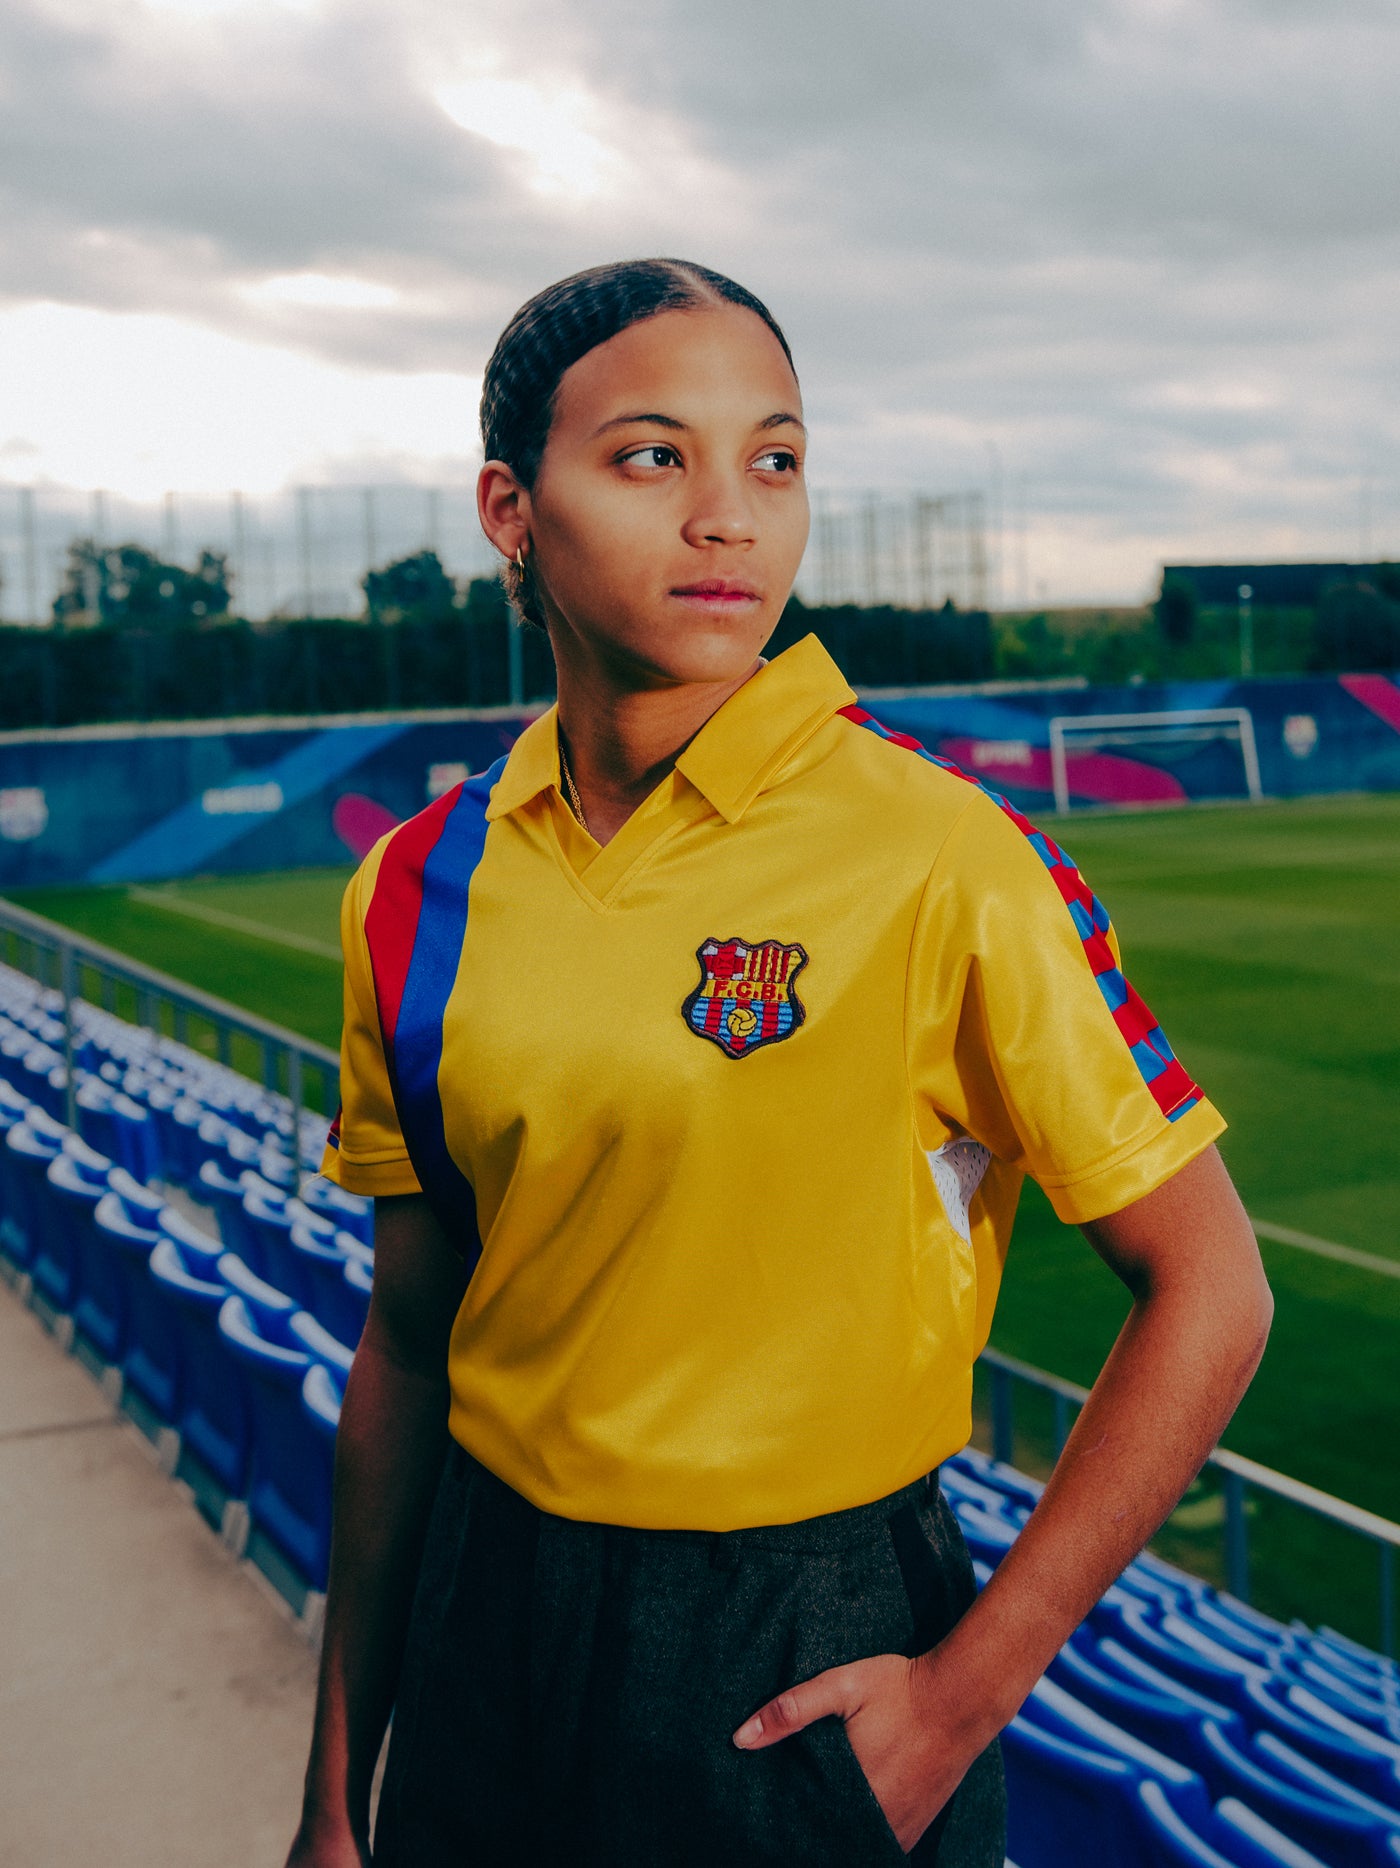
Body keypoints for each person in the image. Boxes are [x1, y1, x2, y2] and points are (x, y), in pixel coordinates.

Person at [286, 258, 1272, 1867]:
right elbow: (406, 1345)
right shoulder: (409, 887)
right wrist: (337, 1797)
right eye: (653, 456)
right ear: (510, 508)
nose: (730, 516)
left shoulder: (947, 856)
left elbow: (1215, 1288)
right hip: (486, 1630)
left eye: (778, 458)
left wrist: (960, 1698)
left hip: (796, 1662)